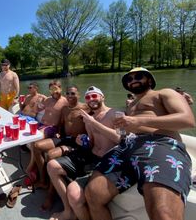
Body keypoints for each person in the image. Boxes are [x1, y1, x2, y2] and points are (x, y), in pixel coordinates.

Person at [85, 67, 195, 220]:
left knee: (163, 212)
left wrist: (139, 120)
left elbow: (187, 120)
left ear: (149, 80)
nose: (133, 80)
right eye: (129, 79)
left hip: (159, 143)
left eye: (138, 76)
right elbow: (126, 130)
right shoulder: (130, 105)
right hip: (127, 147)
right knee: (93, 194)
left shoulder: (164, 93)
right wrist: (123, 129)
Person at [47, 86, 120, 220]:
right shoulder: (89, 119)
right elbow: (92, 143)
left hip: (107, 161)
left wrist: (94, 123)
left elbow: (121, 138)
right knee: (52, 165)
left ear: (102, 97)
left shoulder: (115, 113)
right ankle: (68, 211)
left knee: (74, 195)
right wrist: (82, 142)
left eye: (94, 96)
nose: (91, 100)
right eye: (88, 97)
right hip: (89, 157)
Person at [25, 80, 68, 184]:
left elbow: (69, 115)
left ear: (60, 88)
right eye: (52, 89)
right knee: (28, 137)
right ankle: (35, 168)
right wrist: (36, 103)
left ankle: (30, 168)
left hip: (52, 128)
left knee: (34, 140)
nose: (54, 91)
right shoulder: (47, 100)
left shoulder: (65, 101)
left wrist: (61, 131)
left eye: (56, 89)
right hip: (41, 125)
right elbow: (36, 110)